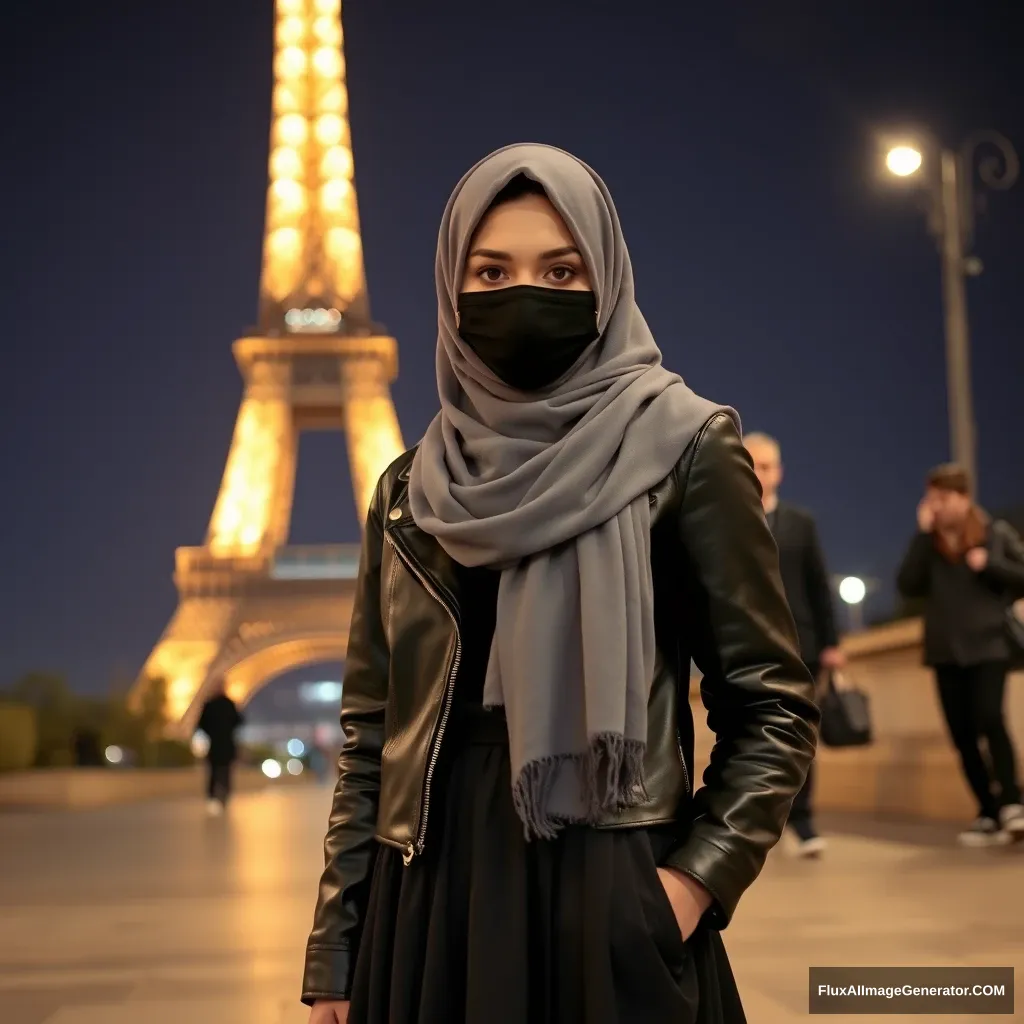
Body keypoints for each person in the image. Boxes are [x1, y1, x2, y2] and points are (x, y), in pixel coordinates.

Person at [302, 145, 818, 1024]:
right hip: (427, 904)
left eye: (561, 269)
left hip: (609, 888)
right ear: (450, 285)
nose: (523, 294)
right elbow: (371, 735)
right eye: (491, 270)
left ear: (607, 280)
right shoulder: (408, 490)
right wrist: (337, 950)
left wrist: (686, 888)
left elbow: (772, 706)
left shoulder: (687, 449)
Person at [897, 463, 1024, 846]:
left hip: (988, 645)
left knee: (990, 718)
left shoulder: (993, 533)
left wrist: (992, 564)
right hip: (945, 650)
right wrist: (921, 534)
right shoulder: (930, 544)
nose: (936, 505)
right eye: (931, 498)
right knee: (962, 735)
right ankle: (987, 810)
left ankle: (1013, 804)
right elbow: (908, 585)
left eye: (943, 497)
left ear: (963, 497)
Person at [744, 432, 845, 857]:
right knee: (750, 734)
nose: (761, 474)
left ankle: (802, 821)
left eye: (768, 466)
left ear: (779, 472)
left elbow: (819, 587)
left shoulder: (801, 523)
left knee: (800, 736)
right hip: (746, 646)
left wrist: (832, 643)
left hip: (800, 645)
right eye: (753, 465)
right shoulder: (727, 517)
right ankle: (755, 821)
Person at [196, 682, 244, 816]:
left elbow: (201, 724)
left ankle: (212, 798)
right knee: (225, 772)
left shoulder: (209, 705)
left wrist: (211, 733)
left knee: (213, 771)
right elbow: (239, 722)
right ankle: (224, 797)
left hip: (214, 744)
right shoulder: (230, 704)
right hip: (227, 743)